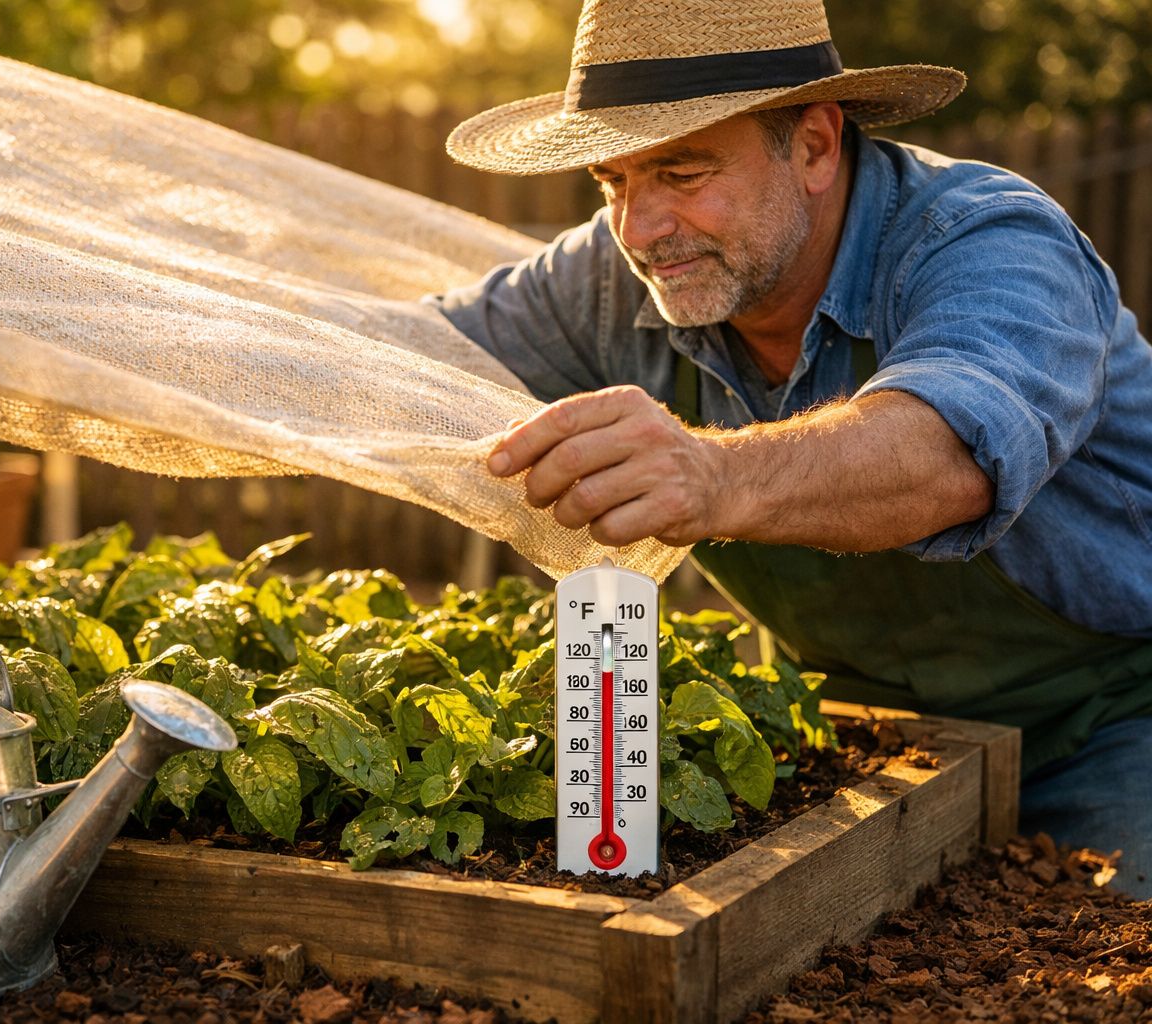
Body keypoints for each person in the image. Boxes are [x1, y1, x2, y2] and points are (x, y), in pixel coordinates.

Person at [427, 0, 1152, 898]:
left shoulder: (991, 241)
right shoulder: (603, 280)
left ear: (813, 145)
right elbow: (417, 350)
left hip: (1110, 720)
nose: (638, 229)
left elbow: (948, 453)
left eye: (682, 172)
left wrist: (711, 473)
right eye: (611, 181)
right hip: (855, 737)